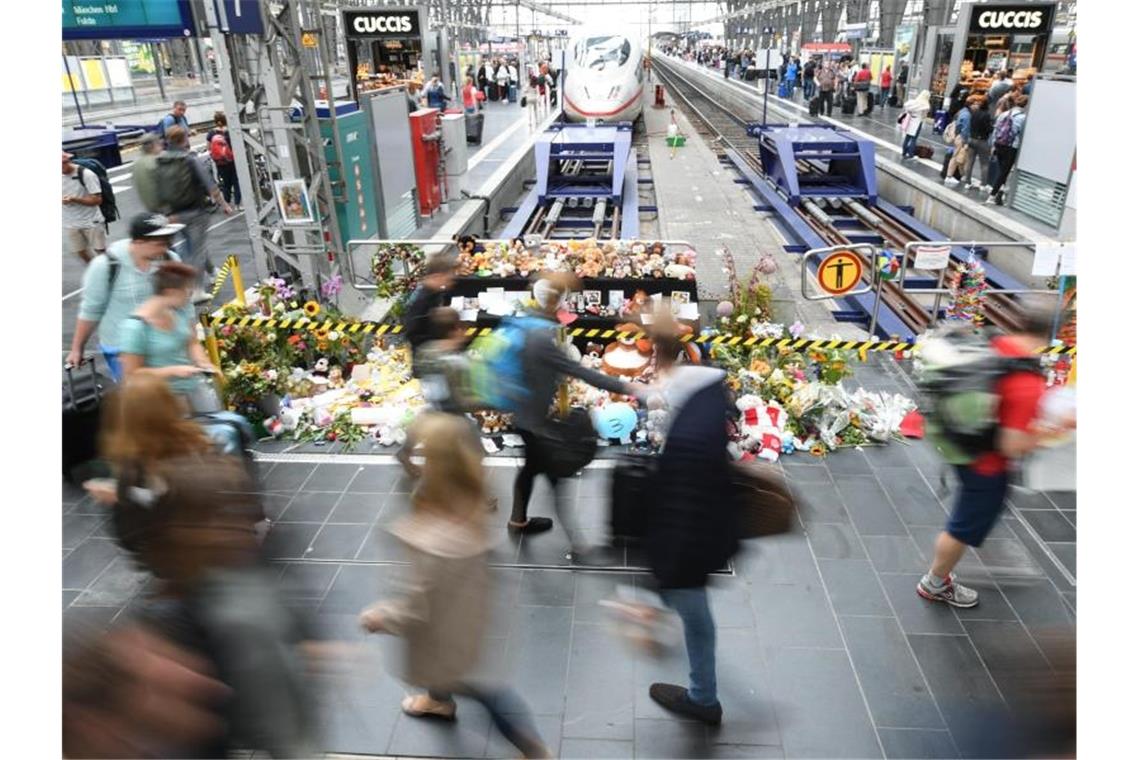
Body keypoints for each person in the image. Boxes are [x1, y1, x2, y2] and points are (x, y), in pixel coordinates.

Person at [360, 413, 552, 759]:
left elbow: (417, 605)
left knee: (479, 688)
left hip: (444, 630)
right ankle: (438, 700)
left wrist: (380, 616)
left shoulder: (431, 535)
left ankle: (532, 747)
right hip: (469, 615)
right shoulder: (473, 492)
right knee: (457, 673)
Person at [916, 308, 1064, 608]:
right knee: (962, 526)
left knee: (973, 513)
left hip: (959, 443)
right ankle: (934, 582)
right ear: (1051, 336)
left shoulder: (995, 343)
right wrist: (1056, 431)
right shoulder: (1027, 381)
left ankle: (961, 551)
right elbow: (1012, 446)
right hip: (986, 464)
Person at [642, 324, 738, 726]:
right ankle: (703, 692)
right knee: (691, 610)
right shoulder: (710, 393)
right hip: (708, 531)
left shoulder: (686, 429)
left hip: (691, 541)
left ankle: (704, 698)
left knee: (691, 610)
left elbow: (683, 498)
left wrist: (666, 566)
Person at [508, 277, 641, 556]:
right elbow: (579, 370)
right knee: (556, 480)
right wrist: (625, 386)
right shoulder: (542, 337)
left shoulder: (528, 321)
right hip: (534, 421)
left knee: (531, 469)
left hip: (523, 412)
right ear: (555, 302)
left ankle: (517, 520)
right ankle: (578, 545)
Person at [67, 213, 186, 376]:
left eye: (167, 242)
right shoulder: (105, 266)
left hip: (163, 345)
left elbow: (184, 304)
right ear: (138, 242)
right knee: (140, 396)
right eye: (159, 243)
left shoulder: (171, 259)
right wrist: (77, 349)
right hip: (122, 351)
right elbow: (91, 310)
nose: (165, 248)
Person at [118, 261, 221, 411]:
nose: (190, 297)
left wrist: (203, 362)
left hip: (194, 389)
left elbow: (191, 342)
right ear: (171, 292)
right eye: (188, 292)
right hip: (164, 400)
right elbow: (132, 375)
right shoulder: (135, 328)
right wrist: (173, 371)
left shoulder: (180, 311)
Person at [157, 126, 233, 298]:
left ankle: (208, 273)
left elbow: (158, 188)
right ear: (184, 139)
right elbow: (211, 186)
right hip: (196, 211)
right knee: (196, 250)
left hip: (174, 213)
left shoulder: (161, 161)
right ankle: (196, 290)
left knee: (189, 244)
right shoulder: (190, 159)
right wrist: (224, 205)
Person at [62, 151, 106, 264]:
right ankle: (96, 272)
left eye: (64, 162)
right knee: (80, 252)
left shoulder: (86, 174)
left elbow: (97, 200)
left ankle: (112, 272)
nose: (63, 166)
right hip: (71, 222)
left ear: (69, 160)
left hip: (92, 221)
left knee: (100, 251)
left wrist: (74, 199)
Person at [986, 94, 1029, 206]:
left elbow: (996, 130)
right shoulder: (1023, 118)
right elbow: (1021, 134)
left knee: (1002, 170)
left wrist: (993, 145)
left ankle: (1000, 194)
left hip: (999, 144)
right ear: (1026, 105)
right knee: (1004, 173)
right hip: (1011, 147)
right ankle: (992, 195)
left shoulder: (1005, 114)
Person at [205, 113, 240, 210]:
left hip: (220, 163)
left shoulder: (211, 133)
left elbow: (208, 148)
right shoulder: (229, 131)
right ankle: (238, 204)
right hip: (232, 161)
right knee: (236, 182)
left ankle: (227, 204)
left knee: (225, 184)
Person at [962, 96, 995, 191]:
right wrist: (992, 127)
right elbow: (988, 129)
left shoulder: (973, 113)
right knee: (984, 164)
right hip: (982, 141)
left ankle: (967, 182)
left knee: (969, 162)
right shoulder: (986, 115)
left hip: (972, 139)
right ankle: (983, 184)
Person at [942, 98, 973, 186]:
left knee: (959, 157)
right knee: (957, 157)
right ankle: (950, 176)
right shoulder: (967, 115)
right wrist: (965, 141)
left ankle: (962, 176)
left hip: (958, 137)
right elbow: (965, 129)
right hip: (961, 138)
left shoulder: (961, 112)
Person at [132, 132, 165, 213]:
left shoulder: (137, 163)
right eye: (159, 144)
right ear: (154, 145)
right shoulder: (156, 161)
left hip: (149, 208)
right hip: (164, 208)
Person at [900, 90, 931, 159]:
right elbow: (924, 115)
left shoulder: (913, 102)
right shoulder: (925, 105)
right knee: (914, 139)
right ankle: (910, 154)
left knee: (907, 137)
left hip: (910, 121)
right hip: (917, 122)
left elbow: (906, 107)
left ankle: (904, 152)